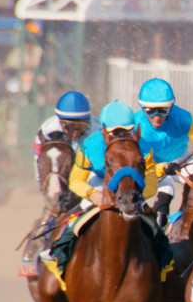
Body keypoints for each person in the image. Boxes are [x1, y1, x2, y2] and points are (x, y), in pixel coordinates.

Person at [40, 100, 163, 279]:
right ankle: (58, 250)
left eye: (127, 131)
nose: (121, 136)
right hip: (100, 181)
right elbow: (75, 180)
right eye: (114, 133)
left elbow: (151, 177)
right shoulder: (91, 145)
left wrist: (140, 193)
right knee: (80, 213)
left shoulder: (144, 146)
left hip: (131, 187)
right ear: (104, 131)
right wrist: (92, 194)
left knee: (155, 229)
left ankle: (165, 268)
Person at [22, 91, 101, 271]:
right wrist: (50, 195)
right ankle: (35, 247)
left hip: (90, 181)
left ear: (87, 122)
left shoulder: (96, 131)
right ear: (59, 121)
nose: (74, 133)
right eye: (68, 127)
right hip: (61, 182)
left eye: (79, 127)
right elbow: (40, 167)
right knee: (52, 210)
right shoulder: (46, 131)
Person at [134, 78, 193, 227]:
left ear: (171, 108)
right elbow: (141, 165)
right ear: (142, 108)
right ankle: (160, 222)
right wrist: (162, 168)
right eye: (150, 111)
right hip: (150, 166)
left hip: (180, 159)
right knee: (167, 185)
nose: (157, 117)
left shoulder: (184, 118)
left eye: (163, 111)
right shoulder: (136, 125)